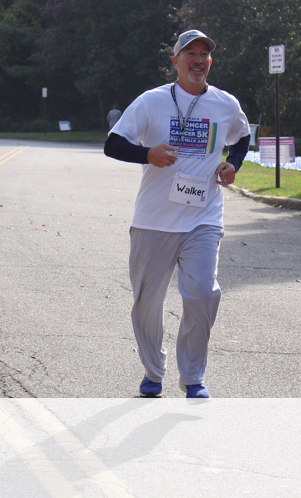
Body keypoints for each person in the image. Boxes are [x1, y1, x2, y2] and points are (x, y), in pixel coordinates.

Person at [104, 29, 251, 399]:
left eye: (204, 54)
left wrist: (232, 164)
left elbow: (241, 137)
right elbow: (113, 144)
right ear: (176, 62)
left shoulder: (225, 104)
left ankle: (193, 377)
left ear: (210, 62)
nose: (198, 60)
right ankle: (153, 372)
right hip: (153, 220)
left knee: (202, 293)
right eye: (190, 54)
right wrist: (147, 154)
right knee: (146, 303)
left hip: (203, 217)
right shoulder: (151, 101)